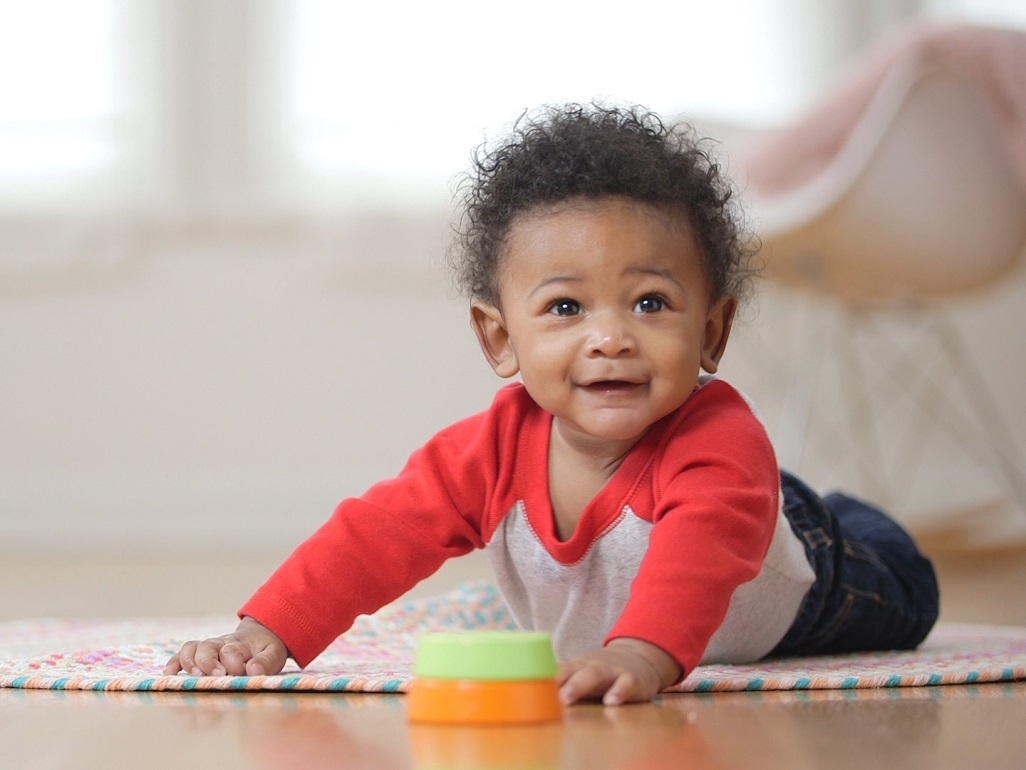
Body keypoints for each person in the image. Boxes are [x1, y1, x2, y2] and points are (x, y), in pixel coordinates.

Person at [164, 103, 939, 705]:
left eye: (649, 303)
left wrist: (641, 652)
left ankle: (847, 519)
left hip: (812, 574)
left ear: (712, 330)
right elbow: (374, 537)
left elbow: (699, 558)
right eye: (567, 309)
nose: (610, 338)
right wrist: (265, 634)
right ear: (499, 339)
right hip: (685, 570)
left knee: (909, 588)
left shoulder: (717, 439)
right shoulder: (491, 450)